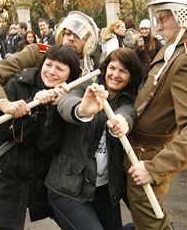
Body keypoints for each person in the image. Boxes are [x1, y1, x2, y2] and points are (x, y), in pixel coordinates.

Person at [0, 11, 99, 230]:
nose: (69, 38)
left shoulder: (87, 72)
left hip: (48, 163)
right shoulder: (37, 53)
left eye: (77, 36)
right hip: (9, 147)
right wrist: (5, 105)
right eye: (66, 32)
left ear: (88, 43)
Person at [126, 0, 187, 229]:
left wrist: (155, 168)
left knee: (151, 225)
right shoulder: (175, 49)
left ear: (184, 16)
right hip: (138, 151)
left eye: (165, 18)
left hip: (149, 157)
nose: (159, 25)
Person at [0, 45, 81, 230]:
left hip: (40, 175)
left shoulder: (69, 98)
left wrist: (51, 109)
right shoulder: (16, 84)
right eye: (48, 65)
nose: (51, 72)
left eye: (60, 68)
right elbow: (2, 133)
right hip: (8, 172)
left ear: (70, 76)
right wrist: (26, 108)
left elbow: (47, 146)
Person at [46, 47, 141, 230]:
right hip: (67, 188)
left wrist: (121, 123)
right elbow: (66, 103)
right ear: (105, 69)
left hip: (103, 189)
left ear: (131, 77)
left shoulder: (128, 102)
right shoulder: (85, 87)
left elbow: (127, 113)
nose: (115, 74)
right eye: (112, 68)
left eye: (123, 71)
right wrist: (82, 110)